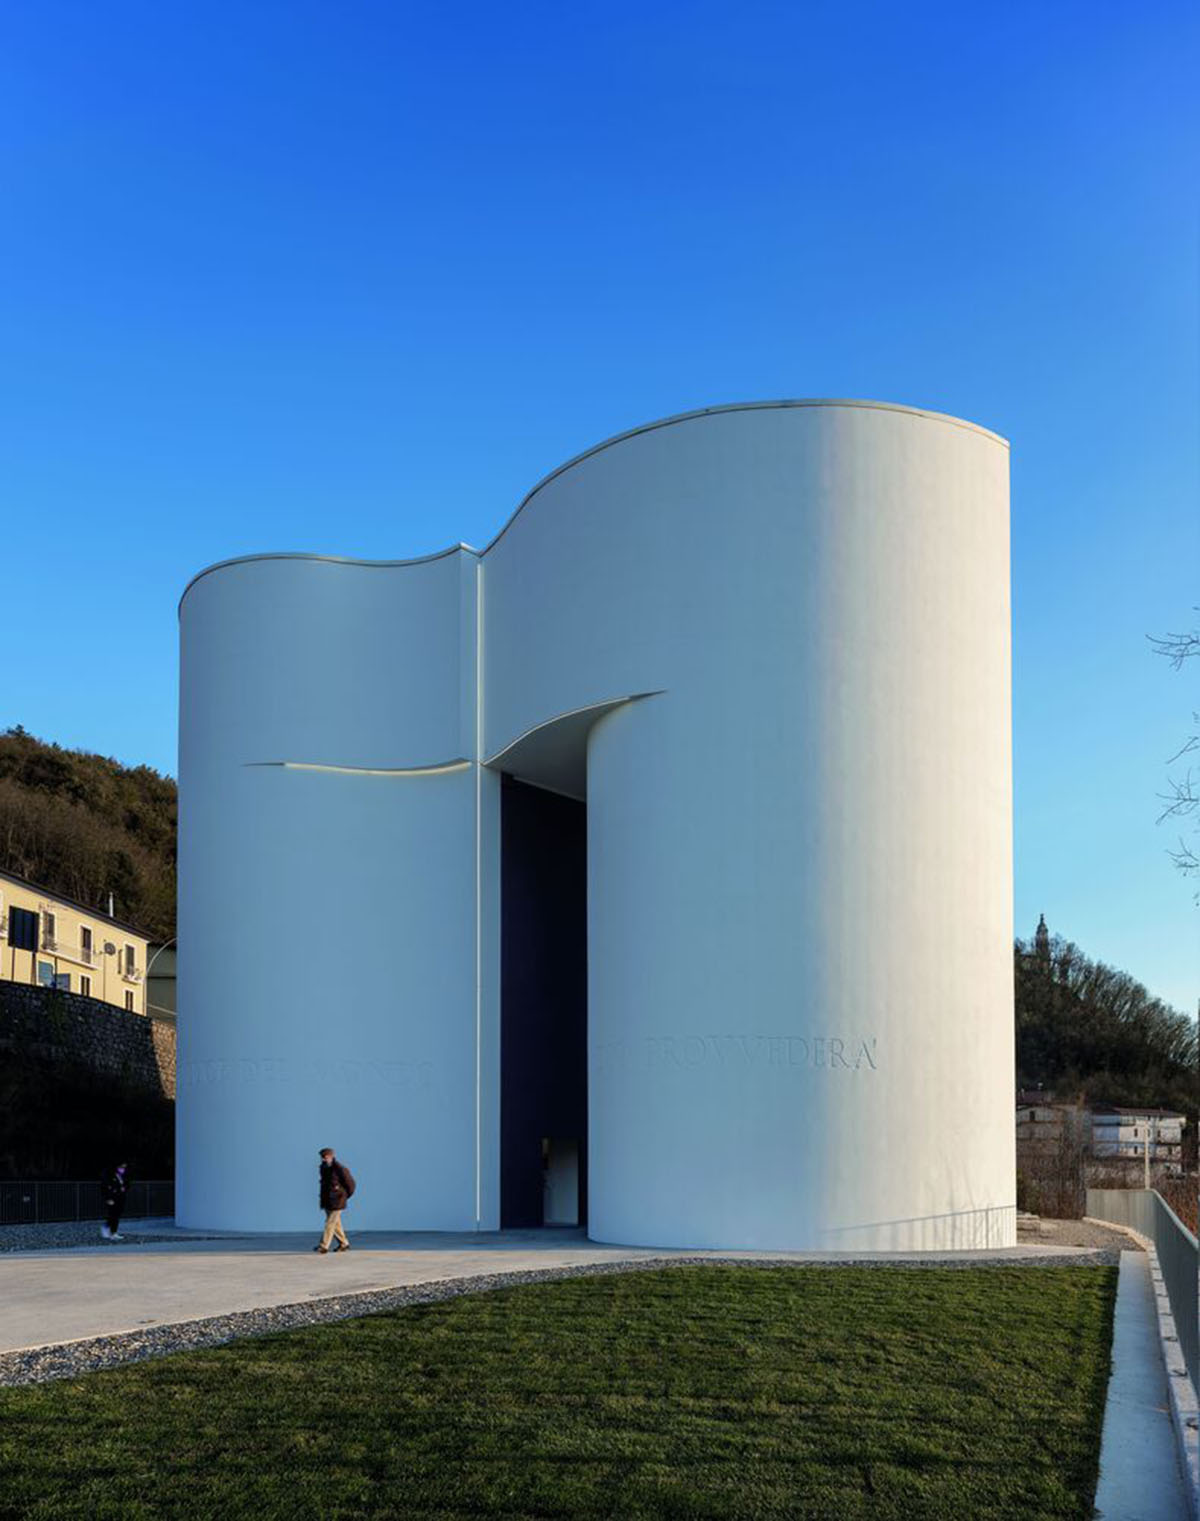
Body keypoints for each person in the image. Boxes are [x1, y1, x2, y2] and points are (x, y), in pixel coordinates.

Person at [314, 1147, 355, 1253]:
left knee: (330, 1222)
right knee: (336, 1224)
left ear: (331, 1156)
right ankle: (344, 1244)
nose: (323, 1159)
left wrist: (344, 1196)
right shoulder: (323, 1167)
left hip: (338, 1200)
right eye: (322, 1157)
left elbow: (351, 1184)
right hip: (327, 1200)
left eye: (325, 1157)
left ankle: (323, 1246)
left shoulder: (340, 1168)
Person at [100, 1161, 129, 1241]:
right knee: (113, 1215)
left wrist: (124, 1189)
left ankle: (112, 1231)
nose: (123, 1169)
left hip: (120, 1198)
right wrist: (108, 1199)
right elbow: (105, 1188)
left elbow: (125, 1185)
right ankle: (109, 1230)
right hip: (112, 1198)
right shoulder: (110, 1176)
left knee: (116, 1216)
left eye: (124, 1168)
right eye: (121, 1167)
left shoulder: (122, 1176)